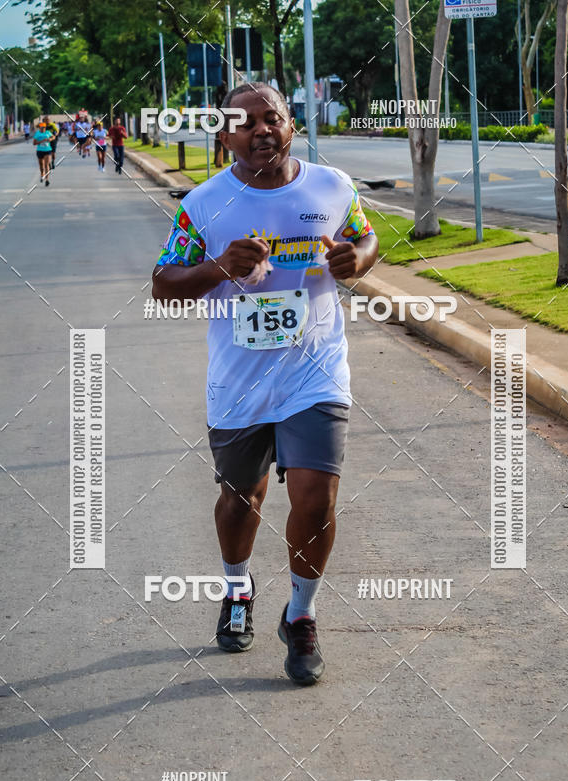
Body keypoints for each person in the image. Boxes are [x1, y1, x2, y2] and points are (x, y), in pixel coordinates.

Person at [152, 83, 378, 686]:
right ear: (225, 136)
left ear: (290, 124)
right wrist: (218, 267)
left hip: (315, 372)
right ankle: (237, 588)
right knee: (241, 501)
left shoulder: (332, 187)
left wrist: (358, 259)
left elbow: (364, 236)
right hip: (240, 382)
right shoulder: (203, 204)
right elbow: (163, 285)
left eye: (271, 118)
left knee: (316, 498)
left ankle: (301, 616)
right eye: (244, 123)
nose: (261, 130)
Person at [33, 121, 52, 185]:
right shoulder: (37, 133)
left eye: (44, 127)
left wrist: (50, 139)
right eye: (41, 127)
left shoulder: (48, 132)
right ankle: (42, 174)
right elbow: (34, 143)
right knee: (41, 165)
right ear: (39, 128)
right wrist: (42, 141)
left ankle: (47, 179)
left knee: (46, 165)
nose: (43, 129)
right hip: (40, 150)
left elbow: (53, 137)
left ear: (45, 128)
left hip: (47, 150)